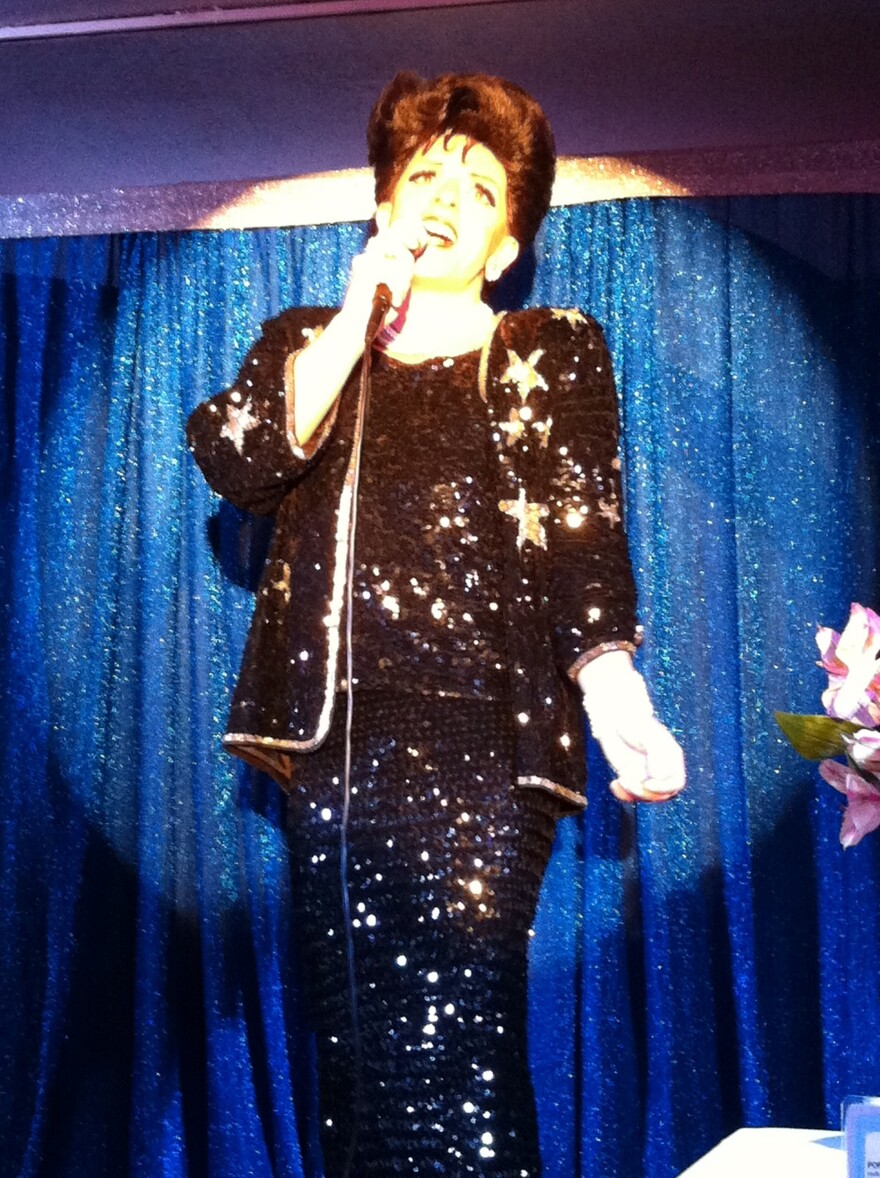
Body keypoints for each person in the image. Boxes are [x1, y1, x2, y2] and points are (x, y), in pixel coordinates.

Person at [187, 71, 685, 1178]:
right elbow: (238, 456)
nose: (444, 195)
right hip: (338, 745)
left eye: (477, 183)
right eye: (423, 175)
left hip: (486, 746)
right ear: (381, 209)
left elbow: (581, 530)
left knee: (462, 1056)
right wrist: (356, 318)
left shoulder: (549, 347)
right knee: (358, 1061)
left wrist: (617, 696)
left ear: (506, 242)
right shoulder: (310, 341)